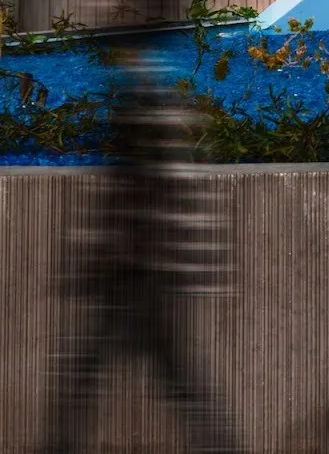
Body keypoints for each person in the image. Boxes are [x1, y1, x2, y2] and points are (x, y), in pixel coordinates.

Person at [42, 48, 239, 454]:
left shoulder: (150, 118)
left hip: (142, 276)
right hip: (135, 273)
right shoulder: (150, 118)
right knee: (108, 376)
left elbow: (161, 197)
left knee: (111, 376)